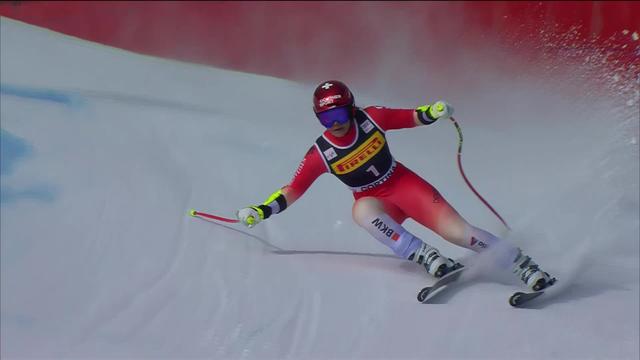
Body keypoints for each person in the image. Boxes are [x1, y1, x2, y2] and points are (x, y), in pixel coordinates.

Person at [236, 80, 553, 291]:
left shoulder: (372, 118)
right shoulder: (322, 153)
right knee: (361, 210)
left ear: (353, 107)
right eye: (327, 118)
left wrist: (433, 111)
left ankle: (523, 265)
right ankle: (425, 256)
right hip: (377, 202)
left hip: (404, 185)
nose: (337, 123)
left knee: (459, 233)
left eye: (341, 113)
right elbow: (294, 189)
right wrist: (262, 210)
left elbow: (409, 116)